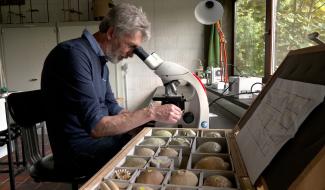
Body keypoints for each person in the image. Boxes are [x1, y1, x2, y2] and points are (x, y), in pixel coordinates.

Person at [41, 3, 182, 177]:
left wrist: (142, 126)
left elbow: (113, 108)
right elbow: (97, 127)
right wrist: (151, 113)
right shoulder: (73, 55)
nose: (131, 54)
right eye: (130, 46)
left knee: (153, 143)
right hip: (77, 151)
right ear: (111, 33)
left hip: (96, 141)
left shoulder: (100, 63)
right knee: (148, 159)